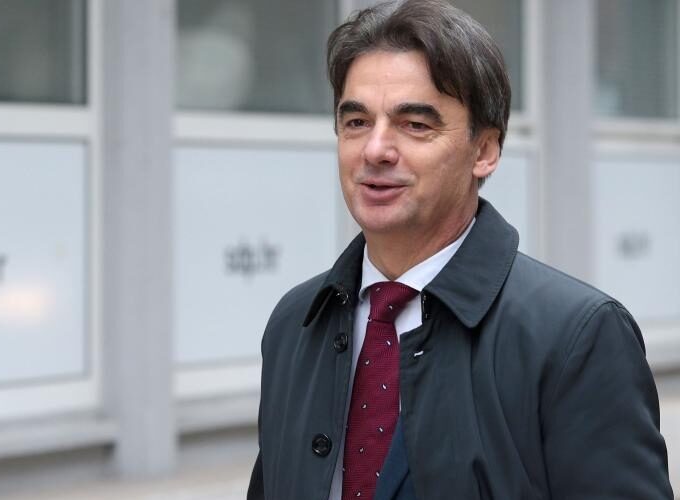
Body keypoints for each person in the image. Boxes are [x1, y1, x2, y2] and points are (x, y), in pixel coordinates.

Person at [247, 0, 673, 499]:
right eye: (356, 121)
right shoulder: (295, 324)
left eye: (415, 124)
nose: (375, 150)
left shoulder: (576, 337)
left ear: (485, 151)